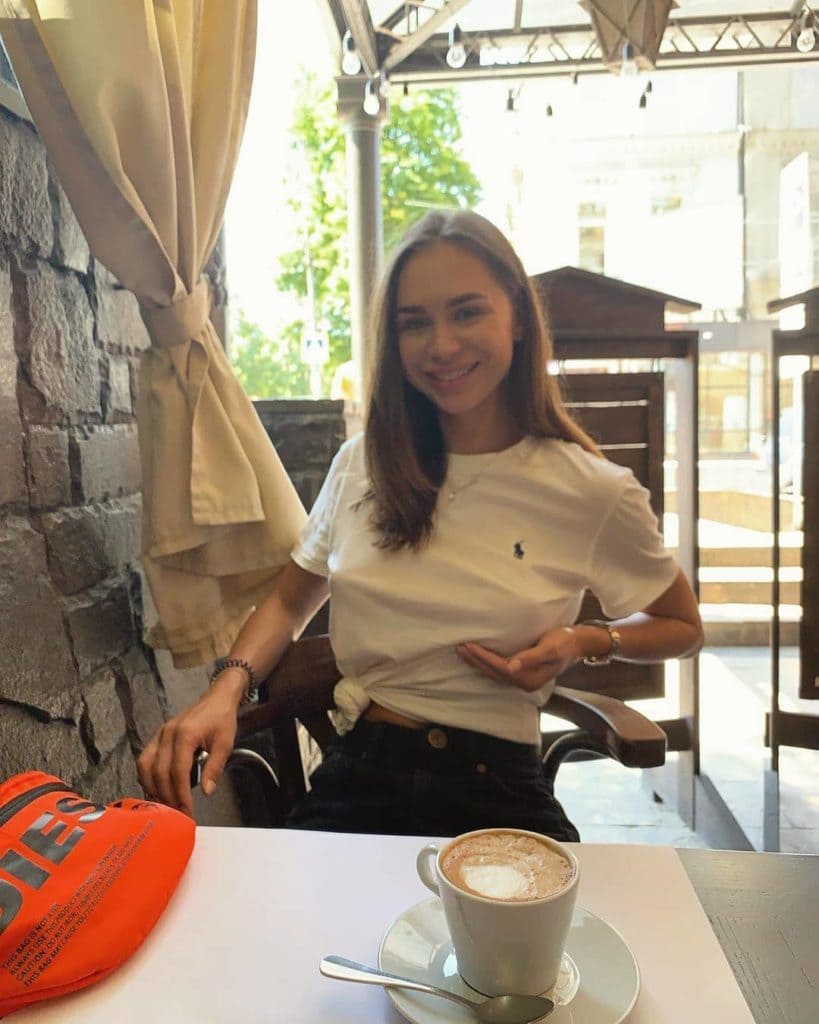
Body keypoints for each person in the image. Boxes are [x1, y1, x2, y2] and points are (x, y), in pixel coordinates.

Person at [137, 210, 703, 841]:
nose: (441, 345)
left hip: (500, 786)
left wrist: (584, 640)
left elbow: (683, 626)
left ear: (518, 317)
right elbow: (288, 603)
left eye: (466, 312)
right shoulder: (362, 465)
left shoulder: (591, 489)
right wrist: (224, 691)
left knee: (554, 911)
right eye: (414, 322)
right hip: (359, 777)